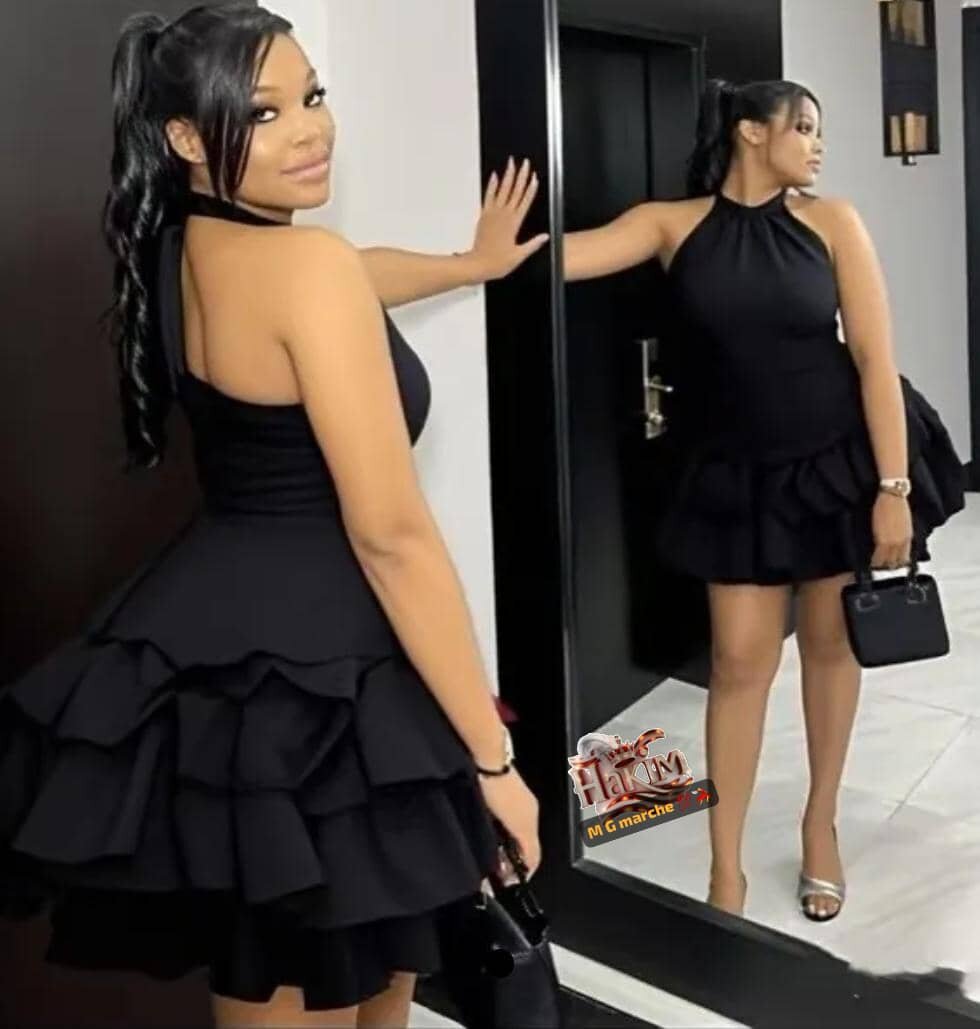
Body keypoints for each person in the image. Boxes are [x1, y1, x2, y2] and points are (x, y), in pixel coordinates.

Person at [0, 4, 547, 1026]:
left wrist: (464, 265)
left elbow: (354, 276)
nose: (311, 129)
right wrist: (494, 761)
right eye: (264, 111)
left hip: (224, 658)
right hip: (333, 672)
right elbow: (390, 535)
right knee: (364, 982)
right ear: (185, 135)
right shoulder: (306, 270)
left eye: (314, 96)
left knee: (284, 972)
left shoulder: (178, 248)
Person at [562, 80, 963, 922]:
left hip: (836, 463)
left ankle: (821, 825)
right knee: (739, 662)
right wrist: (480, 249)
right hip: (736, 474)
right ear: (750, 131)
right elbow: (562, 258)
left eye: (820, 129)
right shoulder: (671, 224)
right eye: (803, 126)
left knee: (829, 646)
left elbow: (874, 360)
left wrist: (892, 487)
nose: (818, 143)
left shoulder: (833, 222)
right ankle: (726, 865)